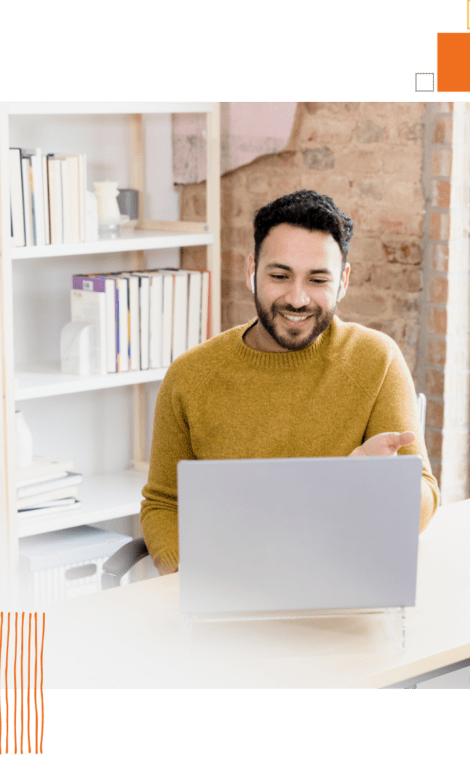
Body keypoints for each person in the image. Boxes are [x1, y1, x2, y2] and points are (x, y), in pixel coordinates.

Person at [140, 190, 440, 576]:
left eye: (317, 279)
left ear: (343, 281)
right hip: (227, 593)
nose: (297, 299)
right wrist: (192, 581)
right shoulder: (189, 377)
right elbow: (164, 504)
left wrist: (371, 486)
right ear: (252, 271)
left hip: (344, 588)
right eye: (280, 276)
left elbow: (425, 500)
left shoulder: (376, 359)